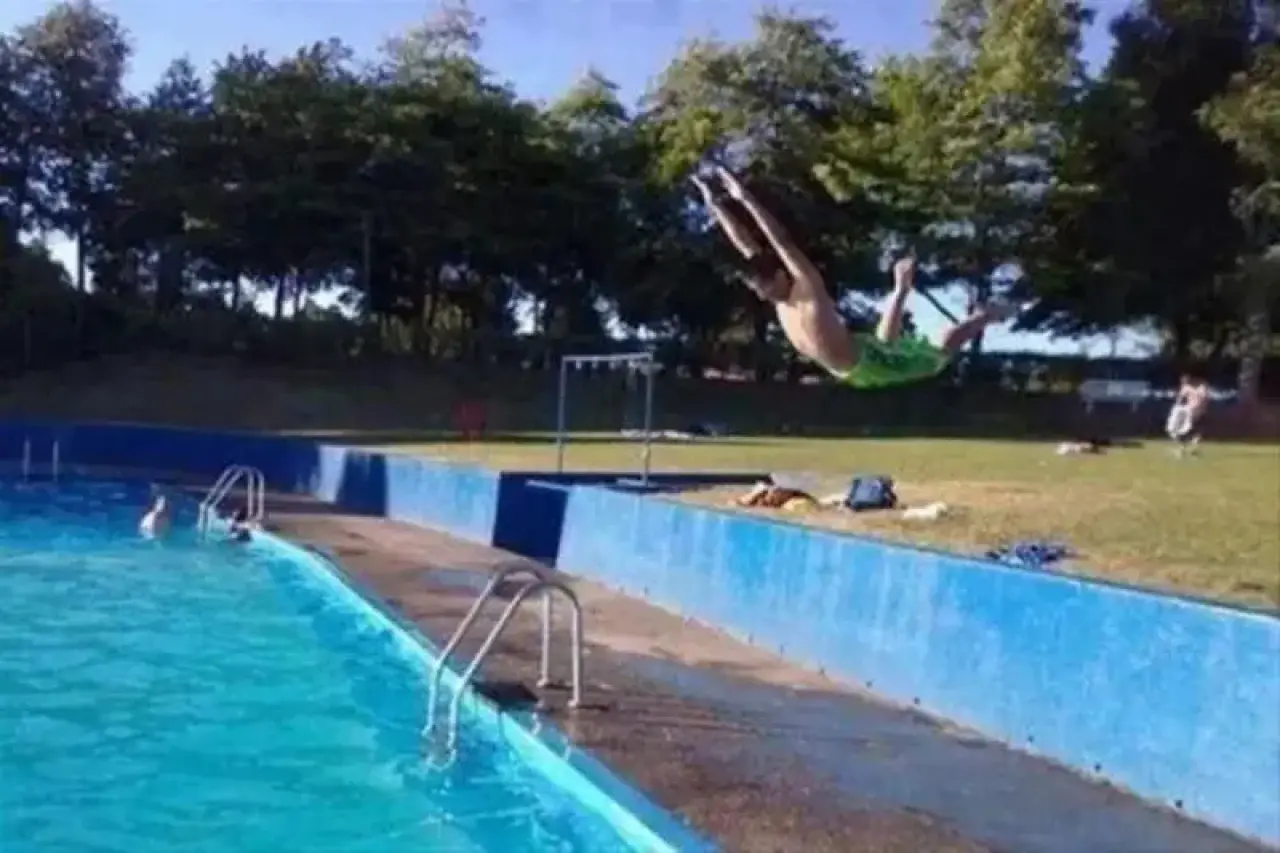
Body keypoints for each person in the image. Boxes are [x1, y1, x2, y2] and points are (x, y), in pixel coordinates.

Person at [691, 166, 1019, 388]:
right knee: (885, 339)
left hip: (867, 363)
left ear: (781, 274)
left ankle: (988, 315)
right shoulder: (773, 285)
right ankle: (902, 289)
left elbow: (781, 241)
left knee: (944, 345)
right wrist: (715, 205)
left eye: (766, 287)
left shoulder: (808, 290)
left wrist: (744, 197)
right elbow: (745, 244)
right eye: (759, 290)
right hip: (855, 362)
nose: (765, 296)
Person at [1168, 373, 1209, 455]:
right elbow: (1205, 399)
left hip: (1191, 411)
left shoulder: (1188, 388)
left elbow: (1180, 399)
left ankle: (1184, 449)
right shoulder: (1201, 387)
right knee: (1194, 431)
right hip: (1196, 411)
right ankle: (1191, 448)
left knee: (1187, 431)